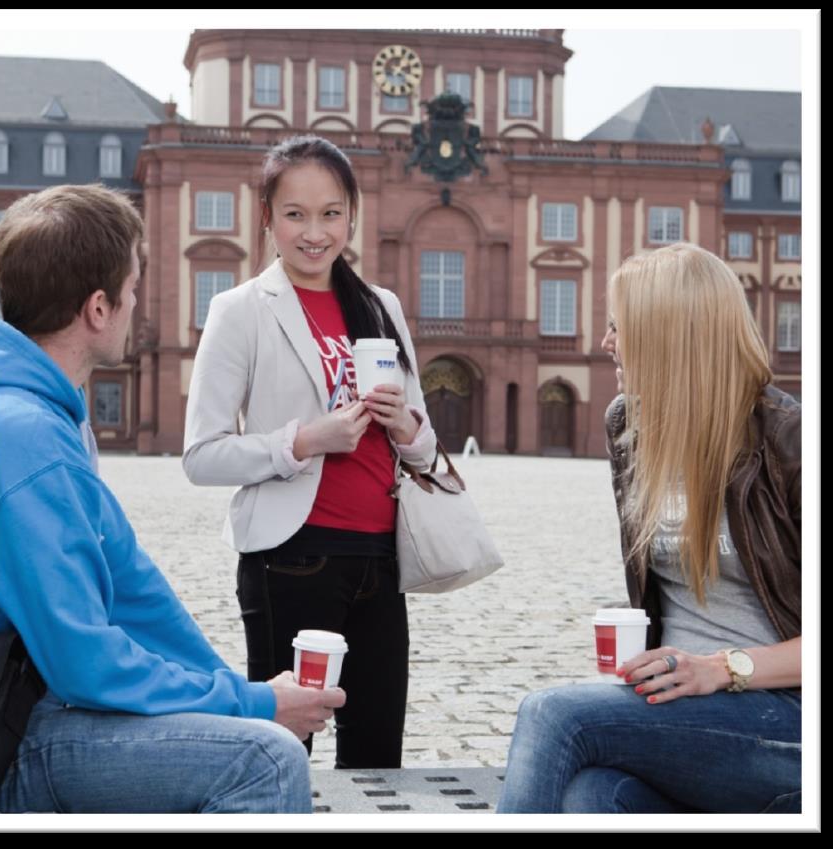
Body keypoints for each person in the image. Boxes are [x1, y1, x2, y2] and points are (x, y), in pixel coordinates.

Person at [0, 184, 345, 814]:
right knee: (264, 762)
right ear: (99, 308)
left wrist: (240, 696)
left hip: (22, 709)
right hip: (4, 743)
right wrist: (256, 710)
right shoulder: (24, 439)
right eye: (131, 288)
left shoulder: (41, 414)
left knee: (249, 738)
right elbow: (83, 661)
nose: (136, 302)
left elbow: (133, 587)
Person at [498, 243, 801, 814]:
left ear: (671, 333)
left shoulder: (791, 443)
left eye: (620, 324)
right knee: (590, 797)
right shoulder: (629, 425)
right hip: (685, 714)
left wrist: (721, 669)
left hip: (787, 718)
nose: (606, 341)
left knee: (553, 715)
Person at [183, 135, 437, 769]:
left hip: (381, 559)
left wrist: (405, 427)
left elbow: (426, 445)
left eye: (330, 213)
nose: (314, 232)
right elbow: (201, 454)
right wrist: (302, 442)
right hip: (291, 559)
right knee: (282, 752)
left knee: (378, 756)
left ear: (352, 214)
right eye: (295, 214)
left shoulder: (382, 309)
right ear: (266, 216)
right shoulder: (240, 310)